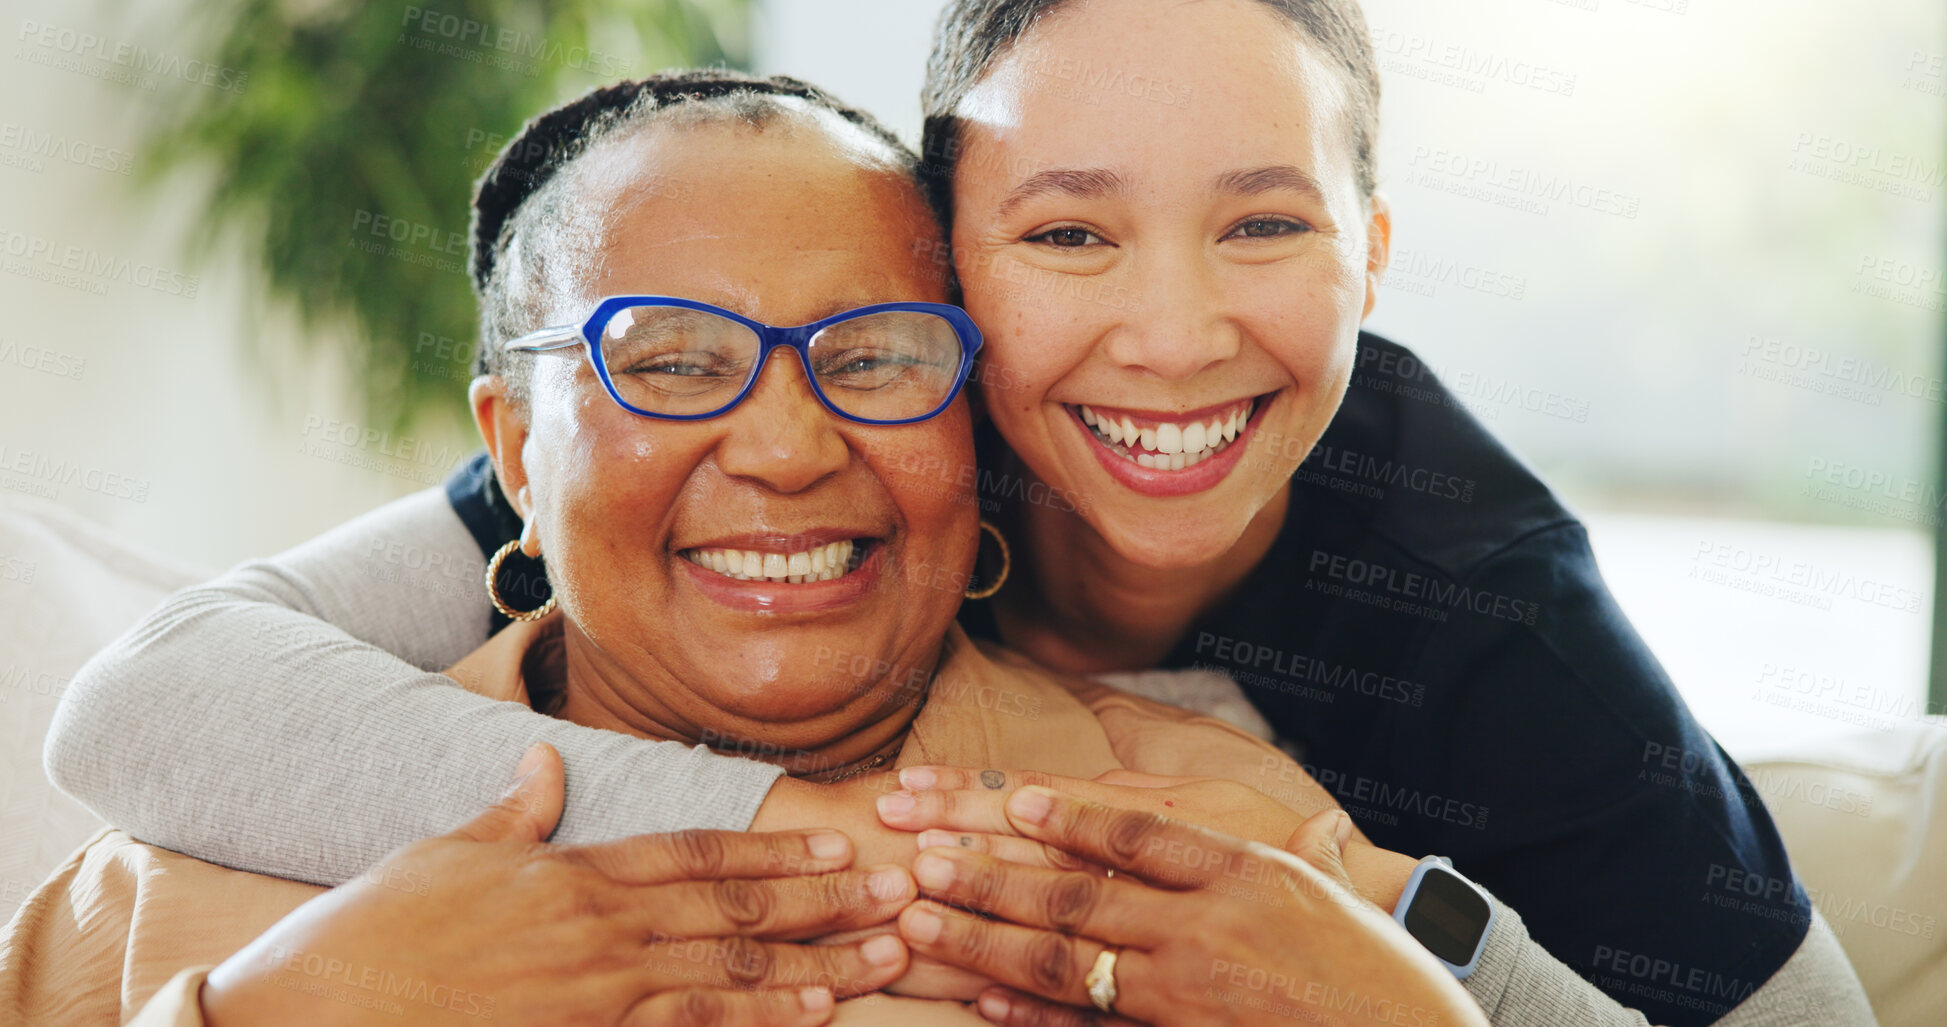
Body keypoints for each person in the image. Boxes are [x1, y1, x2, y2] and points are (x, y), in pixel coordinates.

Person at [45, 2, 1874, 1024]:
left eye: (1263, 220)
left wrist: (1420, 973)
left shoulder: (1321, 758)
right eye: (1069, 232)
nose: (1164, 337)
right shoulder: (225, 852)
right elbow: (143, 700)